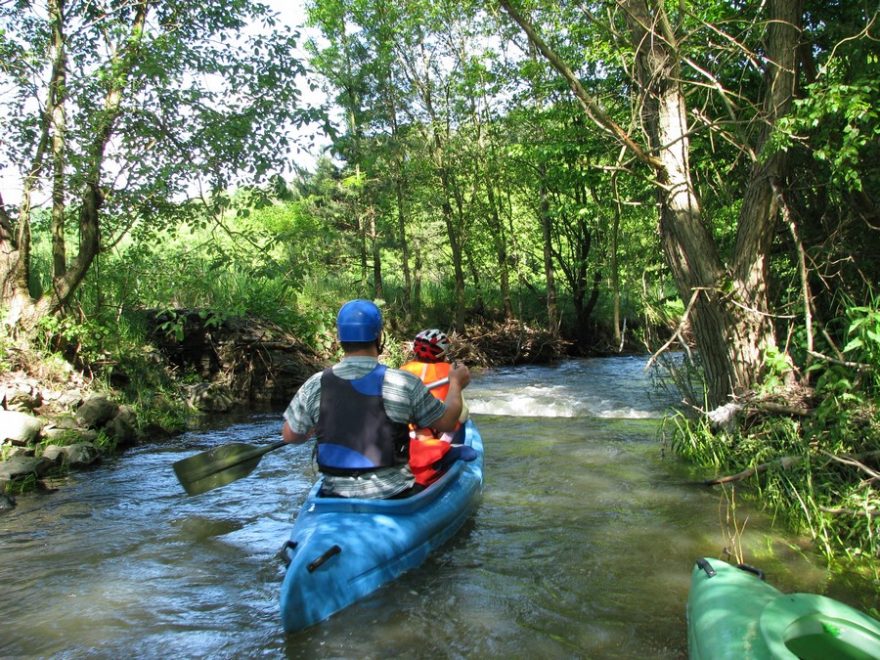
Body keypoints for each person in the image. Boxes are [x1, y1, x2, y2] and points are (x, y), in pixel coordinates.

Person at [281, 300, 471, 499]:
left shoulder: (315, 383)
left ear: (339, 338)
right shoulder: (403, 382)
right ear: (380, 336)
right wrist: (456, 384)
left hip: (333, 495)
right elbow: (448, 423)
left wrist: (314, 426)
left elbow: (290, 436)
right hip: (393, 495)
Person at [400, 328, 476, 487]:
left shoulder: (402, 371)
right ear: (443, 351)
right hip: (440, 430)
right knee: (459, 420)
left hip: (408, 430)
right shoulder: (451, 371)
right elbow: (462, 416)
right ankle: (444, 453)